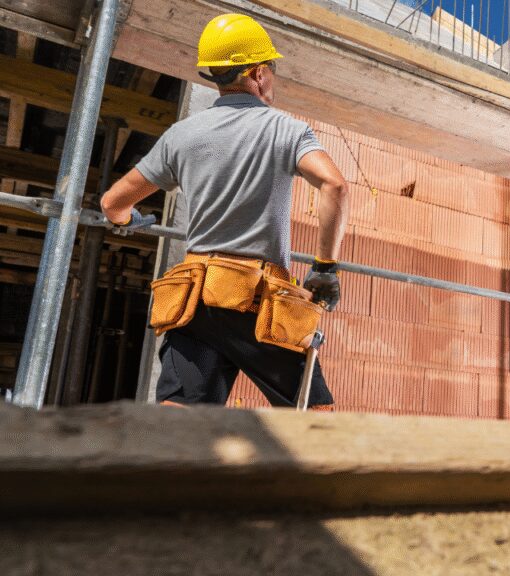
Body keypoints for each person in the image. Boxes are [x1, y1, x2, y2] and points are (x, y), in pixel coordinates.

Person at [100, 13, 349, 410]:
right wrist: (324, 269)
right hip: (256, 301)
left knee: (179, 420)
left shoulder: (181, 135)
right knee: (312, 418)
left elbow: (112, 203)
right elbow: (334, 185)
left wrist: (129, 222)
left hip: (194, 299)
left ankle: (160, 473)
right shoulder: (286, 130)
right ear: (258, 73)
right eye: (271, 71)